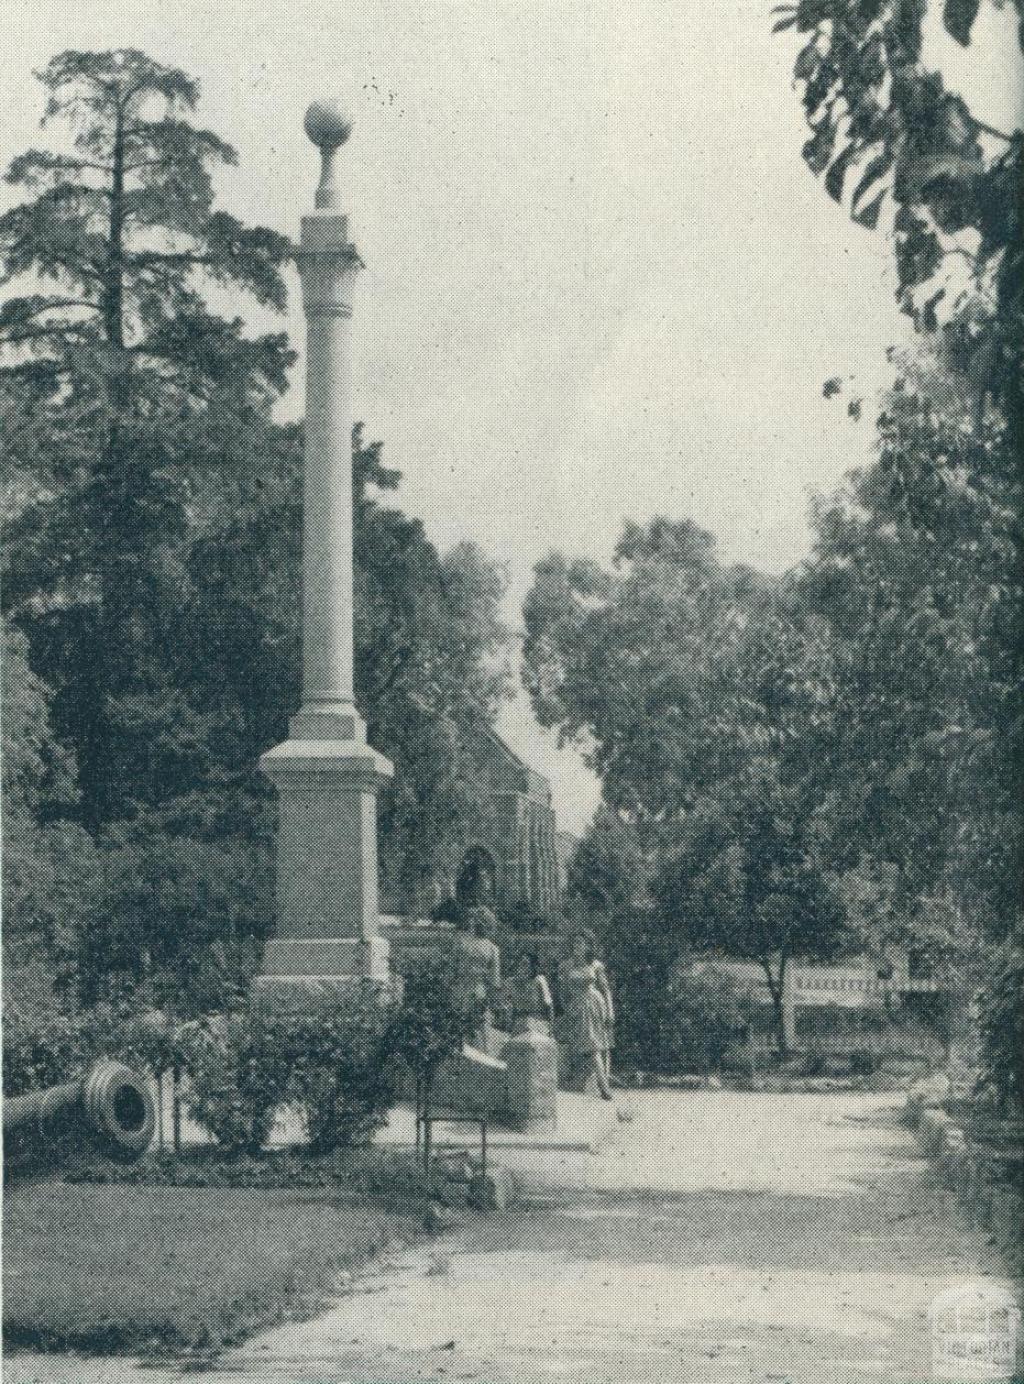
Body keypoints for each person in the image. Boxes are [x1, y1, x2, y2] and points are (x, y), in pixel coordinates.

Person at [560, 930, 613, 1100]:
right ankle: (599, 1083)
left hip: (594, 1005)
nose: (577, 946)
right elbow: (562, 992)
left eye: (581, 943)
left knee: (596, 1045)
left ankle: (604, 1087)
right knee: (590, 1046)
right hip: (577, 1006)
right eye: (575, 942)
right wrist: (567, 1006)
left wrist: (610, 1011)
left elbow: (606, 990)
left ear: (588, 946)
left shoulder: (595, 965)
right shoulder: (566, 965)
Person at [503, 951, 554, 1033]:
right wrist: (509, 1025)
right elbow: (509, 1006)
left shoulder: (539, 980)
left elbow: (549, 1005)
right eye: (520, 964)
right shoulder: (511, 982)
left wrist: (551, 1029)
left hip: (537, 1023)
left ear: (533, 967)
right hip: (519, 1023)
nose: (522, 967)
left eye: (525, 964)